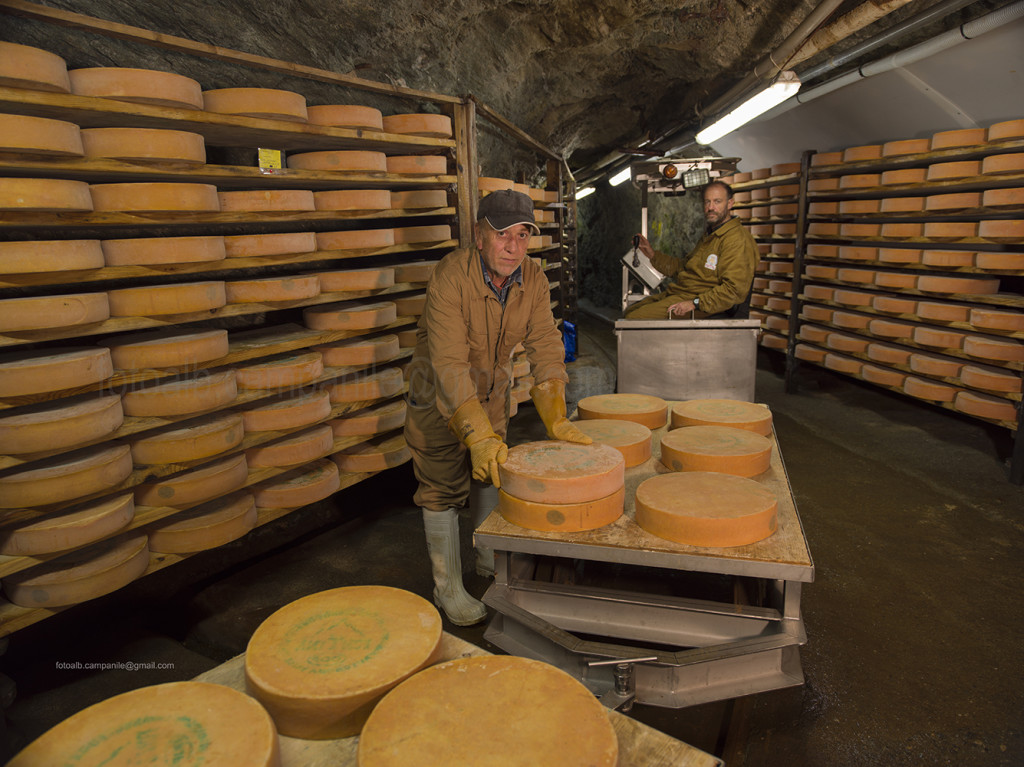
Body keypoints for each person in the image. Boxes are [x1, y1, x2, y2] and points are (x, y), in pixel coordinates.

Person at [403, 189, 592, 626]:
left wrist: (557, 415)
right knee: (442, 486)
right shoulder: (451, 276)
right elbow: (449, 365)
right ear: (479, 235)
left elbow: (545, 343)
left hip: (491, 393)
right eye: (503, 233)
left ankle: (488, 556)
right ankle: (447, 585)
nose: (514, 246)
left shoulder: (534, 278)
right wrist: (476, 435)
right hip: (437, 394)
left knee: (490, 468)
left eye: (523, 235)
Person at [624, 180, 757, 320]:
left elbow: (733, 291)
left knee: (634, 319)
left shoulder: (736, 240)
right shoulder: (711, 236)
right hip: (683, 293)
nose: (711, 207)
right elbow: (682, 268)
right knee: (630, 310)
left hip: (701, 302)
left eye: (717, 202)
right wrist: (651, 254)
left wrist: (695, 303)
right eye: (707, 202)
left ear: (730, 203)